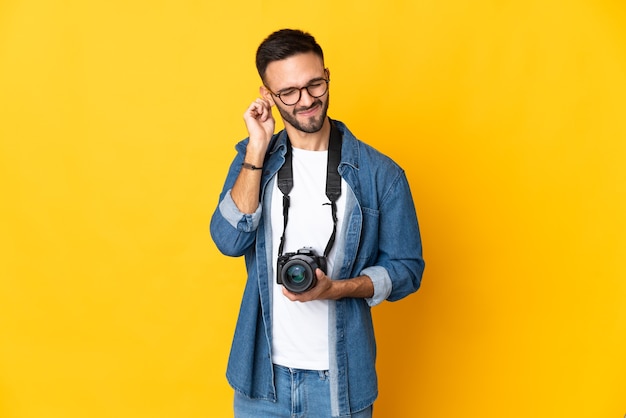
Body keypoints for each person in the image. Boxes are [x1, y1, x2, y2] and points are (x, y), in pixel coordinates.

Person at [210, 28, 425, 418]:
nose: (306, 100)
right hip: (262, 381)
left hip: (341, 384)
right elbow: (227, 240)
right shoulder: (254, 162)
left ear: (327, 75)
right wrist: (257, 148)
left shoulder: (381, 175)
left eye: (315, 84)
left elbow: (408, 269)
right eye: (288, 92)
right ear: (267, 96)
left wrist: (337, 288)